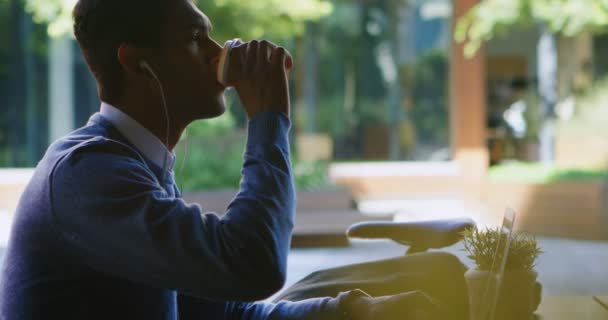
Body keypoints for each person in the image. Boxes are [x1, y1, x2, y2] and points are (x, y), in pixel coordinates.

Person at [0, 0, 467, 319]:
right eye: (194, 38)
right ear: (138, 63)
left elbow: (223, 313)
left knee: (433, 281)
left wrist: (360, 312)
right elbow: (253, 265)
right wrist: (268, 119)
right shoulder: (87, 175)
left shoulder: (136, 166)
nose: (218, 53)